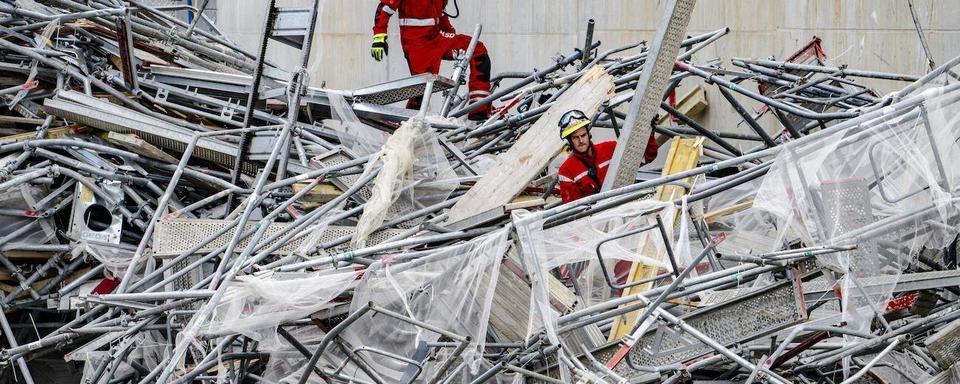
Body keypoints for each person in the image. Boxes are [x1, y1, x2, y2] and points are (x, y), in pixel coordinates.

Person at [370, 0, 493, 121]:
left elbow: (441, 14)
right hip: (417, 42)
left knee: (477, 49)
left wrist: (450, 34)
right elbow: (385, 7)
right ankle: (407, 127)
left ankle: (479, 111)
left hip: (437, 36)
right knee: (422, 91)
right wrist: (379, 37)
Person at [557, 110, 658, 204]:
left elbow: (647, 156)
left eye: (583, 135)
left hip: (625, 206)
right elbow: (574, 209)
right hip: (596, 219)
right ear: (570, 141)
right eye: (575, 138)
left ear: (588, 134)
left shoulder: (611, 149)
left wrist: (649, 132)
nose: (581, 141)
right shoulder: (566, 171)